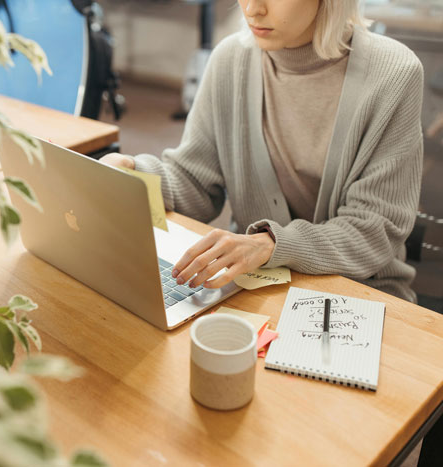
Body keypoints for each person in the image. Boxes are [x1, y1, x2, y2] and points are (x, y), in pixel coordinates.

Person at [100, 0, 424, 302]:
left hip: (359, 291)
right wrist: (136, 174)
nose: (252, 9)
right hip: (255, 282)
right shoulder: (230, 60)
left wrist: (269, 244)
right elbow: (195, 180)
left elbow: (373, 231)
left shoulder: (394, 73)